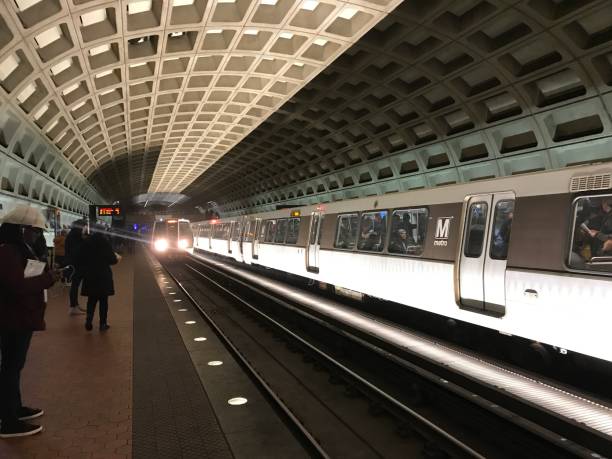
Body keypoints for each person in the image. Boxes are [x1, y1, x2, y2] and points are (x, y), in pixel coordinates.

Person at [0, 206, 60, 438]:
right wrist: (47, 279)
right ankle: (8, 421)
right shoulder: (6, 252)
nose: (37, 236)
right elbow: (17, 286)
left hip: (20, 316)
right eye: (34, 231)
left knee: (14, 367)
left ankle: (15, 408)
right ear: (22, 229)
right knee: (10, 368)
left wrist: (46, 275)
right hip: (11, 318)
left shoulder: (18, 249)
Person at [77, 227, 118, 331]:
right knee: (103, 301)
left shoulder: (86, 242)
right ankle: (102, 324)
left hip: (90, 274)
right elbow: (113, 260)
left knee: (91, 300)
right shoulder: (105, 243)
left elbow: (80, 257)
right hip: (103, 274)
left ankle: (88, 320)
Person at [65, 222, 86, 315]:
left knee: (75, 285)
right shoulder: (75, 237)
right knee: (74, 285)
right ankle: (73, 306)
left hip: (73, 264)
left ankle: (75, 305)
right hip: (75, 265)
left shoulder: (71, 236)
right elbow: (77, 251)